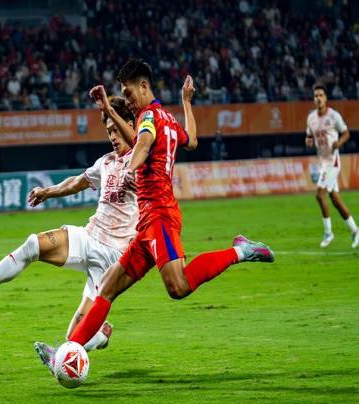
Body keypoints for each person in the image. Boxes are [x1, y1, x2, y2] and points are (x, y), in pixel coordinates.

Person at [35, 59, 274, 372]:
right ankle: (66, 352)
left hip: (160, 216)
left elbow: (143, 142)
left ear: (144, 86)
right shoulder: (168, 118)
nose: (128, 99)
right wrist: (186, 101)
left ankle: (240, 250)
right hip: (146, 223)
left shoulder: (148, 116)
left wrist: (129, 168)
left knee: (178, 286)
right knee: (106, 288)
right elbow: (192, 141)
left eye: (128, 92)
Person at [0, 96, 138, 353]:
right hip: (89, 237)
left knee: (74, 337)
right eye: (109, 132)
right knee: (33, 244)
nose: (113, 137)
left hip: (112, 257)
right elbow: (77, 182)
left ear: (130, 125)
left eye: (117, 130)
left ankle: (99, 338)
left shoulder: (143, 162)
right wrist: (47, 192)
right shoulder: (106, 162)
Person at [305, 84, 358, 248]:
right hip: (322, 163)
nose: (318, 98)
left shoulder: (334, 115)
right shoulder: (311, 118)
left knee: (319, 195)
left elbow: (346, 133)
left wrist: (338, 143)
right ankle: (355, 230)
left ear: (326, 98)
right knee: (334, 199)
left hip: (332, 162)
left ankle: (328, 232)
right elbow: (309, 135)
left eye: (321, 95)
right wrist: (308, 141)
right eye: (316, 96)